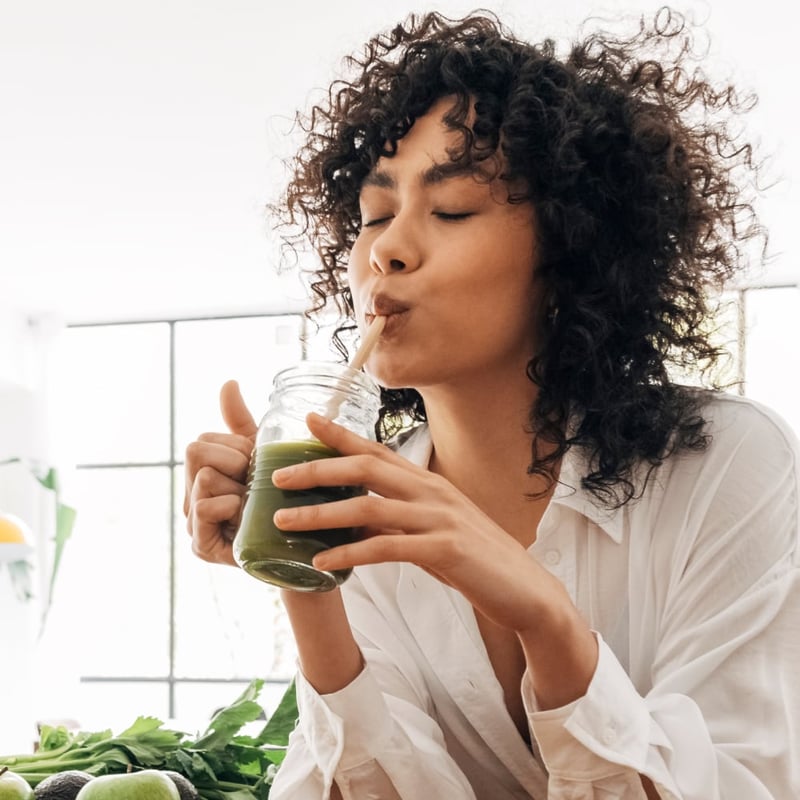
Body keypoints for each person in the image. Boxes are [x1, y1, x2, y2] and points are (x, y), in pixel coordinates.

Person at [184, 7, 799, 799]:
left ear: (569, 248)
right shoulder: (360, 502)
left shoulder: (726, 465)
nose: (386, 250)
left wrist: (547, 622)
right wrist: (303, 570)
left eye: (452, 210)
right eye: (373, 215)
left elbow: (744, 784)